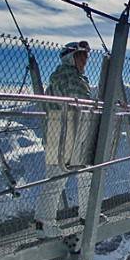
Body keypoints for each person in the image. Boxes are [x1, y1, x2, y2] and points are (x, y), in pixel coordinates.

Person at [35, 40, 94, 238]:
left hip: (69, 129)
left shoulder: (74, 76)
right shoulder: (66, 76)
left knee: (83, 172)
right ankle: (44, 222)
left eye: (86, 55)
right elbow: (81, 99)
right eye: (81, 55)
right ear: (70, 57)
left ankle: (85, 214)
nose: (85, 60)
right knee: (57, 177)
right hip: (61, 130)